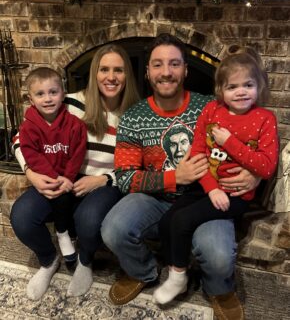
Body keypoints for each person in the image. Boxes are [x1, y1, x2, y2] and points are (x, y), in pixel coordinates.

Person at [101, 33, 261, 320]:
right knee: (113, 228)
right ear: (148, 72)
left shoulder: (213, 107)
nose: (166, 72)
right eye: (158, 64)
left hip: (204, 199)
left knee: (219, 256)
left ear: (186, 70)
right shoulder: (134, 117)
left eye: (174, 64)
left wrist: (255, 174)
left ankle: (219, 289)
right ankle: (142, 272)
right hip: (155, 198)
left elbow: (252, 135)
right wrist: (176, 177)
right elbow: (124, 178)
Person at [10, 44, 140, 301]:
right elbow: (21, 137)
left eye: (118, 70)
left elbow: (136, 166)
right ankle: (48, 260)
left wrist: (102, 180)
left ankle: (85, 261)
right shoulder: (66, 100)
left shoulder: (135, 114)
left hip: (104, 182)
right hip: (58, 176)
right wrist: (30, 172)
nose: (111, 77)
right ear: (94, 73)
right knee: (22, 217)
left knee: (88, 219)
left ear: (128, 75)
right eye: (104, 69)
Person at [152, 48, 279, 306]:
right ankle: (179, 263)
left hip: (236, 194)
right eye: (233, 86)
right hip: (207, 187)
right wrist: (211, 188)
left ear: (259, 86)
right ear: (221, 90)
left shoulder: (265, 119)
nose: (241, 91)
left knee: (183, 221)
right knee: (167, 221)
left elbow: (266, 167)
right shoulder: (212, 111)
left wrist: (229, 142)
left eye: (248, 85)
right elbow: (198, 152)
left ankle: (178, 277)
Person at [19, 67, 87, 263]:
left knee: (65, 197)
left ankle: (64, 232)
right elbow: (32, 155)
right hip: (48, 179)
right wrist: (55, 178)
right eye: (40, 94)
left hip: (69, 177)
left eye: (53, 92)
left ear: (62, 94)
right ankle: (62, 236)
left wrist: (68, 177)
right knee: (59, 195)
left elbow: (78, 153)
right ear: (31, 100)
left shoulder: (75, 124)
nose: (47, 99)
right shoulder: (28, 127)